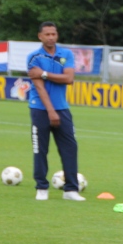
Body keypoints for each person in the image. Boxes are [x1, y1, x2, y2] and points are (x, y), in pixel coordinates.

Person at [26, 22, 85, 201]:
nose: (51, 37)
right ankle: (41, 188)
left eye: (54, 34)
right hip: (40, 109)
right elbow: (39, 87)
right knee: (40, 149)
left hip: (62, 108)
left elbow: (69, 78)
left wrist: (43, 73)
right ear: (40, 36)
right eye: (47, 34)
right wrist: (50, 111)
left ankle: (70, 190)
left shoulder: (65, 54)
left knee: (70, 148)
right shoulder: (33, 57)